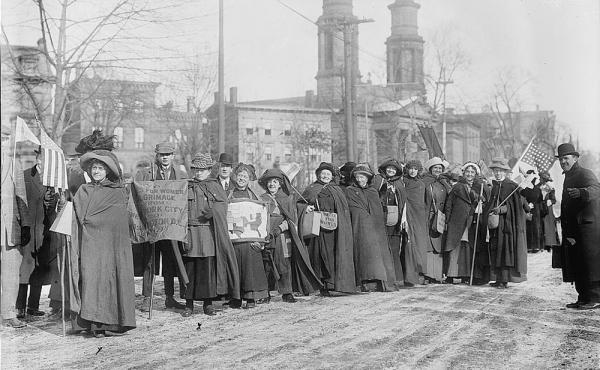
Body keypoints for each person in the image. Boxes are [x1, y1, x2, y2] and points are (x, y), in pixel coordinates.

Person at [70, 149, 136, 337]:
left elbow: (122, 220)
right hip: (91, 245)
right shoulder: (84, 190)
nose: (96, 171)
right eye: (94, 168)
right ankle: (92, 325)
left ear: (107, 171)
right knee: (91, 280)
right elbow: (76, 214)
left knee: (111, 280)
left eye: (100, 168)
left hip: (112, 246)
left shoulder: (118, 192)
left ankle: (113, 324)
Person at [182, 153, 240, 316]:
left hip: (208, 234)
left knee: (207, 270)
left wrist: (213, 211)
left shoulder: (214, 186)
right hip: (191, 233)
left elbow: (223, 204)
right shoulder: (187, 186)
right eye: (196, 170)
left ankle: (208, 304)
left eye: (202, 170)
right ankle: (189, 305)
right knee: (189, 270)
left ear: (208, 170)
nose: (198, 173)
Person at [134, 142, 187, 311]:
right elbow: (137, 194)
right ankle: (147, 297)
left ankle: (169, 297)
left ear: (173, 156)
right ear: (156, 155)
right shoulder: (145, 173)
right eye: (162, 154)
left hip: (171, 225)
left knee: (170, 262)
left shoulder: (180, 174)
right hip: (152, 225)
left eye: (168, 154)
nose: (165, 157)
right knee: (150, 262)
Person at [259, 168, 321, 302]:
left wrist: (280, 229)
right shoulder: (261, 198)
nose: (272, 185)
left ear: (280, 184)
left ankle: (287, 292)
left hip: (282, 236)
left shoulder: (286, 199)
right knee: (267, 264)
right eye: (269, 182)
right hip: (266, 236)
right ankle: (266, 293)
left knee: (284, 264)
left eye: (275, 182)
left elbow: (291, 219)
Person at [298, 162, 356, 295]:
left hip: (333, 228)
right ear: (318, 175)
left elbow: (343, 210)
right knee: (318, 255)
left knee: (332, 254)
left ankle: (332, 284)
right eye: (322, 174)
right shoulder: (312, 188)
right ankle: (319, 284)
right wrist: (306, 208)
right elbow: (300, 203)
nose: (325, 176)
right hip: (317, 228)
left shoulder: (337, 190)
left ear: (332, 176)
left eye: (328, 174)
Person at [556, 143, 600, 310]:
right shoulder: (568, 176)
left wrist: (583, 192)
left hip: (587, 228)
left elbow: (596, 188)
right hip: (574, 227)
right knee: (577, 262)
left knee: (590, 263)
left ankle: (595, 298)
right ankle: (583, 297)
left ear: (575, 158)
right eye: (561, 159)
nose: (563, 162)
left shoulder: (584, 173)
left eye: (566, 158)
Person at [17, 147, 59, 319]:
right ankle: (20, 306)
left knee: (40, 269)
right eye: (40, 158)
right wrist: (24, 226)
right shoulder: (25, 176)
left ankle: (32, 306)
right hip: (28, 230)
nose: (43, 161)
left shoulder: (54, 179)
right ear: (37, 158)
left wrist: (53, 198)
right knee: (25, 268)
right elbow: (19, 201)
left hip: (45, 231)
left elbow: (54, 205)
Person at [344, 163, 396, 292]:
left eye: (363, 177)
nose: (360, 180)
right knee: (363, 254)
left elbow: (378, 210)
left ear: (368, 178)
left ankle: (378, 281)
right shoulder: (349, 191)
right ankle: (364, 282)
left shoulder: (373, 191)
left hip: (375, 229)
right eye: (357, 177)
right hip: (360, 227)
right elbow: (351, 208)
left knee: (377, 255)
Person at [226, 163, 269, 308]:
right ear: (235, 177)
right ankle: (236, 298)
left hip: (250, 241)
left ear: (249, 179)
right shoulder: (228, 194)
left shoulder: (255, 196)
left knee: (250, 269)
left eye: (245, 176)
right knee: (234, 268)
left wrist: (261, 241)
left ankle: (251, 298)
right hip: (234, 241)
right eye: (240, 176)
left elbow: (262, 216)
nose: (242, 178)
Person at [1, 127, 31, 328]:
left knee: (11, 271)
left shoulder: (14, 164)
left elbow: (22, 198)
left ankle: (9, 313)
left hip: (9, 228)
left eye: (3, 139)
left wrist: (26, 225)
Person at [484, 158, 528, 288]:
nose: (498, 174)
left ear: (505, 172)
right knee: (496, 251)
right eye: (495, 171)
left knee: (505, 252)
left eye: (500, 171)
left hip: (507, 226)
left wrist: (502, 209)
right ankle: (497, 278)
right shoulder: (493, 185)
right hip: (495, 225)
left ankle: (504, 279)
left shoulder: (511, 186)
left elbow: (515, 207)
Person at [444, 162, 489, 284]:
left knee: (468, 247)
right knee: (455, 246)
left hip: (471, 222)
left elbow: (486, 204)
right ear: (463, 173)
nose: (469, 174)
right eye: (467, 172)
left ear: (476, 174)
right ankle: (451, 274)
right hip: (457, 220)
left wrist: (481, 202)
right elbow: (449, 204)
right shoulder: (457, 186)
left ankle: (466, 274)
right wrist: (447, 220)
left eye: (472, 172)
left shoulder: (480, 187)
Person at [372, 158, 406, 288]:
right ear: (385, 169)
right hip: (380, 219)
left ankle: (396, 278)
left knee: (394, 248)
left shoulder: (399, 184)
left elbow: (403, 202)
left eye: (394, 169)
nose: (391, 171)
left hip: (395, 221)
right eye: (389, 168)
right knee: (381, 248)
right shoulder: (378, 180)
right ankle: (382, 279)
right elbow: (373, 196)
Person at [422, 157, 452, 283]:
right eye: (435, 168)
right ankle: (428, 274)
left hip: (440, 217)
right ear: (430, 169)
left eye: (440, 168)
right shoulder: (425, 182)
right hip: (428, 217)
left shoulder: (444, 183)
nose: (437, 170)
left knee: (439, 245)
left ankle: (438, 274)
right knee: (429, 245)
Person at [402, 160, 429, 286]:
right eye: (410, 168)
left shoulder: (421, 184)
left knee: (419, 243)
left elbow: (424, 202)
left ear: (419, 170)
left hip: (419, 217)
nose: (412, 171)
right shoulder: (403, 182)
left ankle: (420, 273)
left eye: (415, 169)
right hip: (407, 215)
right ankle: (408, 276)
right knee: (408, 243)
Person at [521, 170, 545, 253]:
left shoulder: (536, 189)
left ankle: (536, 246)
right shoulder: (524, 189)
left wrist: (533, 203)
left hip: (535, 210)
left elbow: (540, 199)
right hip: (527, 209)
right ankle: (530, 246)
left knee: (535, 227)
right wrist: (527, 205)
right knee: (529, 227)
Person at [538, 171, 559, 253]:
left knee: (549, 226)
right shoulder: (538, 187)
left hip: (548, 209)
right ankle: (543, 244)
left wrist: (550, 200)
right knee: (542, 225)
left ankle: (550, 244)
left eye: (541, 178)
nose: (540, 179)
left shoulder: (550, 188)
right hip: (540, 208)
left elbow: (554, 199)